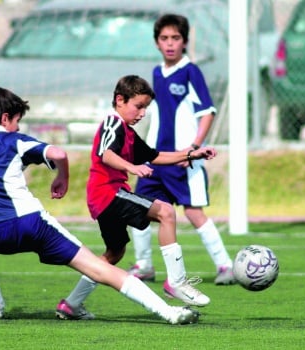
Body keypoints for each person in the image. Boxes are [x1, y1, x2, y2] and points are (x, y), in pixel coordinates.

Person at [0, 49, 200, 325]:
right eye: (17, 121)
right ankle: (169, 312)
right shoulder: (16, 141)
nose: (18, 127)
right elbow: (59, 154)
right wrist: (61, 177)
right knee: (100, 268)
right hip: (31, 225)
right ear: (5, 119)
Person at [55, 74, 217, 321]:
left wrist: (192, 154)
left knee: (114, 253)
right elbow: (106, 154)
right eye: (138, 106)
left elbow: (155, 155)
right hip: (108, 193)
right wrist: (132, 168)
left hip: (105, 198)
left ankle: (71, 304)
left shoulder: (128, 133)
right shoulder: (113, 123)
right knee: (166, 211)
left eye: (146, 108)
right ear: (120, 100)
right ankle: (176, 282)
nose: (142, 113)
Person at [128, 14, 236, 286]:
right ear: (156, 43)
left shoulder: (191, 71)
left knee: (193, 212)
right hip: (155, 159)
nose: (170, 43)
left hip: (181, 161)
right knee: (138, 208)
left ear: (185, 41)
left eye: (176, 38)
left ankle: (225, 265)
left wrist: (193, 148)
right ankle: (144, 265)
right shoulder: (156, 72)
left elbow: (207, 112)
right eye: (164, 38)